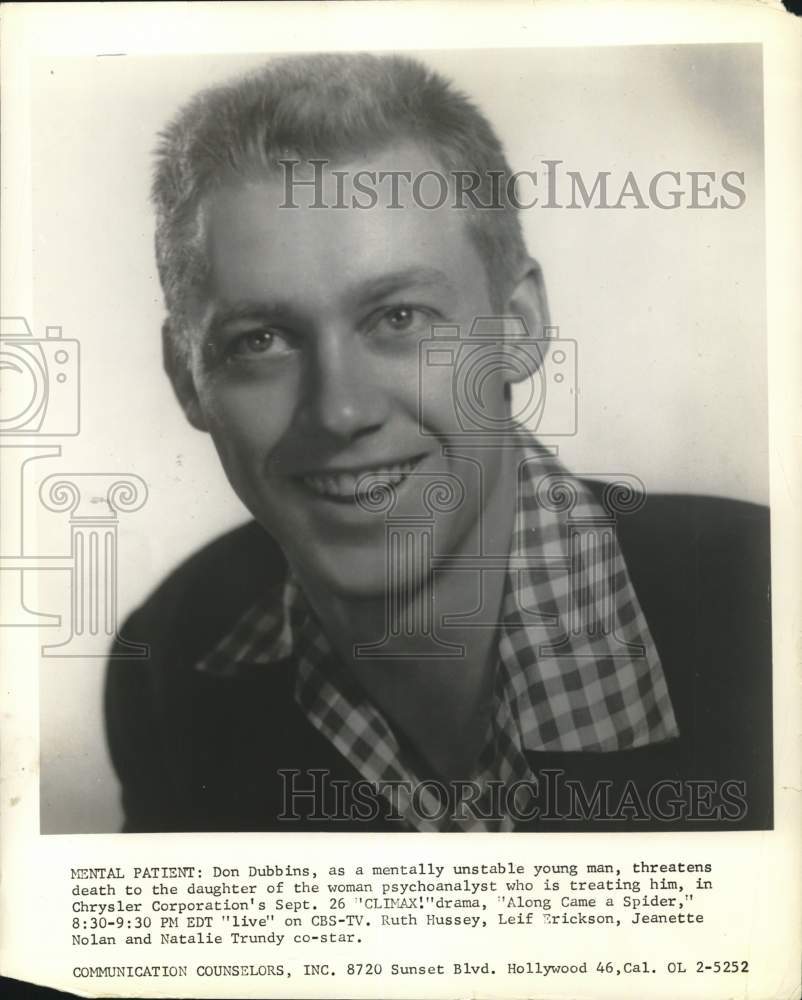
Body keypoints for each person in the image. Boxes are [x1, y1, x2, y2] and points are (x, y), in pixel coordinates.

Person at [105, 53, 771, 833]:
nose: (341, 410)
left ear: (517, 327)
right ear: (187, 380)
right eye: (262, 340)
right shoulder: (173, 659)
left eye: (399, 318)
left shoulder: (762, 608)